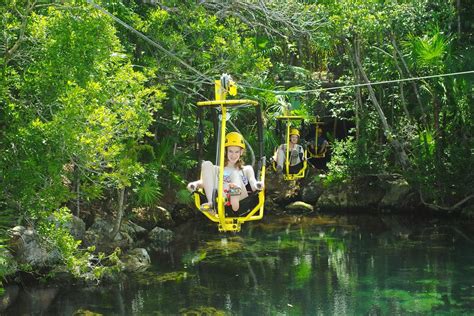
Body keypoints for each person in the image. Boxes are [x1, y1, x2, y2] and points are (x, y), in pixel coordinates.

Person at [187, 132, 264, 215]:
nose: (233, 155)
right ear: (226, 151)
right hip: (222, 198)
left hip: (241, 202)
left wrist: (258, 185)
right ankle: (211, 203)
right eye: (230, 151)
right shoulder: (219, 170)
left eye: (236, 152)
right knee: (206, 164)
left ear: (241, 152)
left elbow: (253, 183)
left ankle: (235, 199)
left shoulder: (246, 169)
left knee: (235, 174)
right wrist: (194, 184)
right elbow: (205, 182)